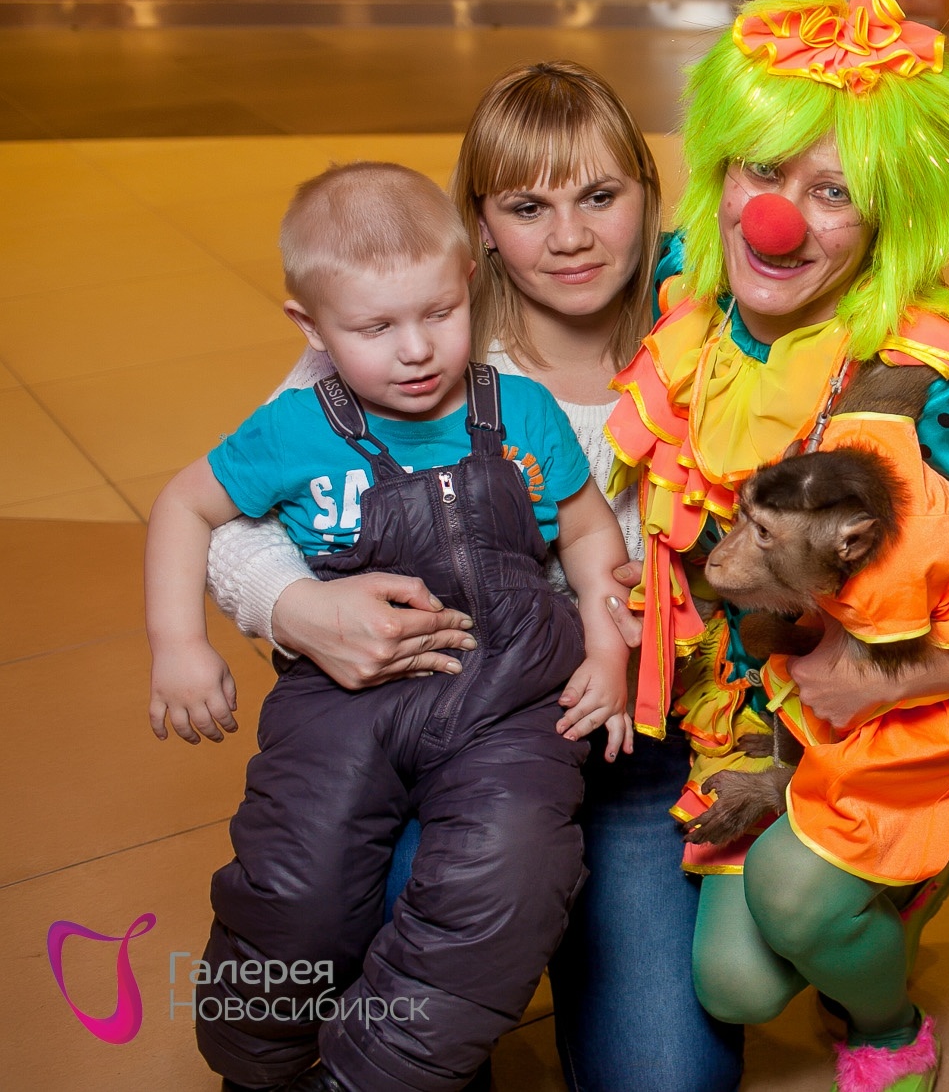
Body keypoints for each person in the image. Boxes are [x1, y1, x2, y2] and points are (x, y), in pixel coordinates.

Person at [602, 0, 949, 1092]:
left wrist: (886, 679)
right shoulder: (694, 310)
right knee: (734, 988)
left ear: (889, 219)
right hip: (761, 712)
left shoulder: (928, 385)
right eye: (759, 169)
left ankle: (888, 1023)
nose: (776, 219)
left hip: (901, 717)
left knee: (799, 900)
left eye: (831, 191)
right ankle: (861, 900)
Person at [205, 63, 746, 1092]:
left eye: (600, 195)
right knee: (398, 957)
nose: (570, 236)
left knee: (666, 1079)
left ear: (649, 193)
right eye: (527, 206)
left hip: (635, 749)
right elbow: (232, 514)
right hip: (451, 732)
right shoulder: (419, 328)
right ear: (479, 226)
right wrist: (296, 604)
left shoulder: (709, 332)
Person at [146, 163, 636, 1092]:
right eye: (376, 329)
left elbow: (586, 533)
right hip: (343, 701)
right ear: (311, 327)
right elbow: (185, 506)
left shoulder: (521, 409)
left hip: (510, 702)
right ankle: (257, 1066)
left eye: (439, 314)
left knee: (509, 875)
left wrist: (608, 648)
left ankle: (375, 1077)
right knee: (295, 884)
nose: (416, 351)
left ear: (470, 285)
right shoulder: (296, 427)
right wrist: (179, 643)